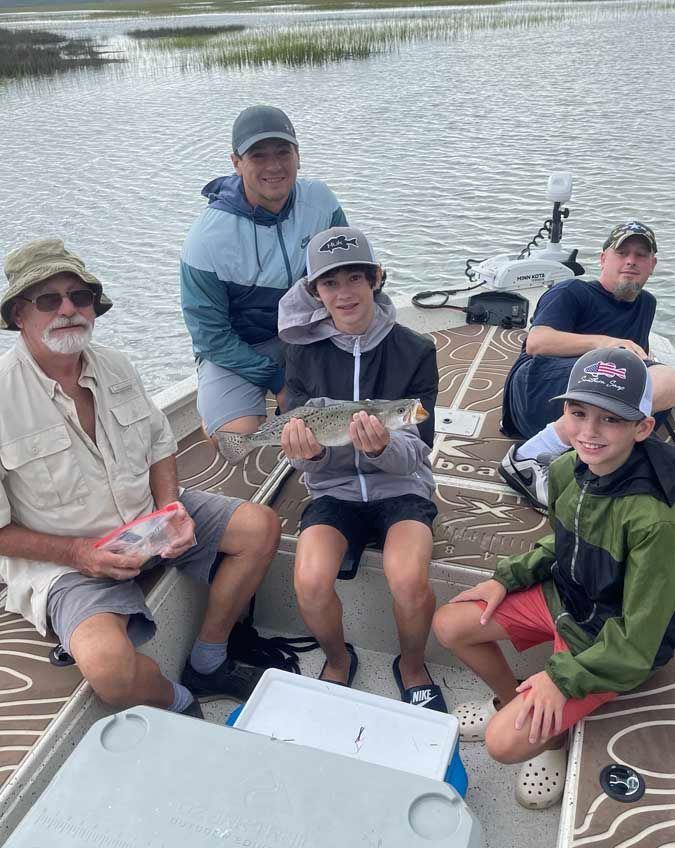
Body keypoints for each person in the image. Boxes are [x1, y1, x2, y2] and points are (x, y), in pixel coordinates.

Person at [0, 239, 281, 717]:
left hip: (148, 518)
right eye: (49, 300)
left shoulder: (116, 364)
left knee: (262, 527)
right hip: (69, 561)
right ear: (18, 314)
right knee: (110, 671)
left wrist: (169, 509)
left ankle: (208, 660)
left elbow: (158, 446)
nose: (68, 309)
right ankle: (180, 701)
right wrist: (80, 554)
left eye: (80, 296)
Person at [433, 347, 675, 809]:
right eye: (578, 413)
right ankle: (515, 699)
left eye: (610, 419)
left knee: (502, 744)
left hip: (610, 636)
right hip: (567, 596)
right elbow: (563, 539)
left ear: (643, 427)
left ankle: (555, 738)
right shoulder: (567, 467)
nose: (589, 431)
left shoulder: (655, 520)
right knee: (451, 623)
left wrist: (560, 679)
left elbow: (639, 641)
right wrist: (507, 578)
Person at [277, 226, 447, 712]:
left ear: (377, 278)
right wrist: (310, 455)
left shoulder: (416, 349)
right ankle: (337, 659)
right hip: (333, 491)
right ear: (315, 292)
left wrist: (381, 450)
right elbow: (297, 444)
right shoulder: (302, 352)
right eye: (330, 283)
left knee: (408, 580)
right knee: (309, 581)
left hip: (401, 488)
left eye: (355, 277)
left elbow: (419, 446)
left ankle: (411, 666)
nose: (344, 292)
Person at [180, 105, 347, 443]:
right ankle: (216, 417)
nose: (273, 166)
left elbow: (347, 274)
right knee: (234, 436)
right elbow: (211, 337)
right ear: (236, 162)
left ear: (298, 156)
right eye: (258, 155)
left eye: (283, 152)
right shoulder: (205, 239)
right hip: (240, 344)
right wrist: (279, 382)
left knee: (356, 394)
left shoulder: (321, 200)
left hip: (307, 330)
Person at [499, 221, 675, 510]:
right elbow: (537, 342)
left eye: (641, 255)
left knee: (654, 384)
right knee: (658, 379)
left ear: (652, 265)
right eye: (622, 253)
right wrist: (603, 343)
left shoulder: (646, 304)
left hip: (588, 407)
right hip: (536, 389)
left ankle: (612, 459)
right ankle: (528, 456)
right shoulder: (572, 292)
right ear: (604, 258)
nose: (631, 261)